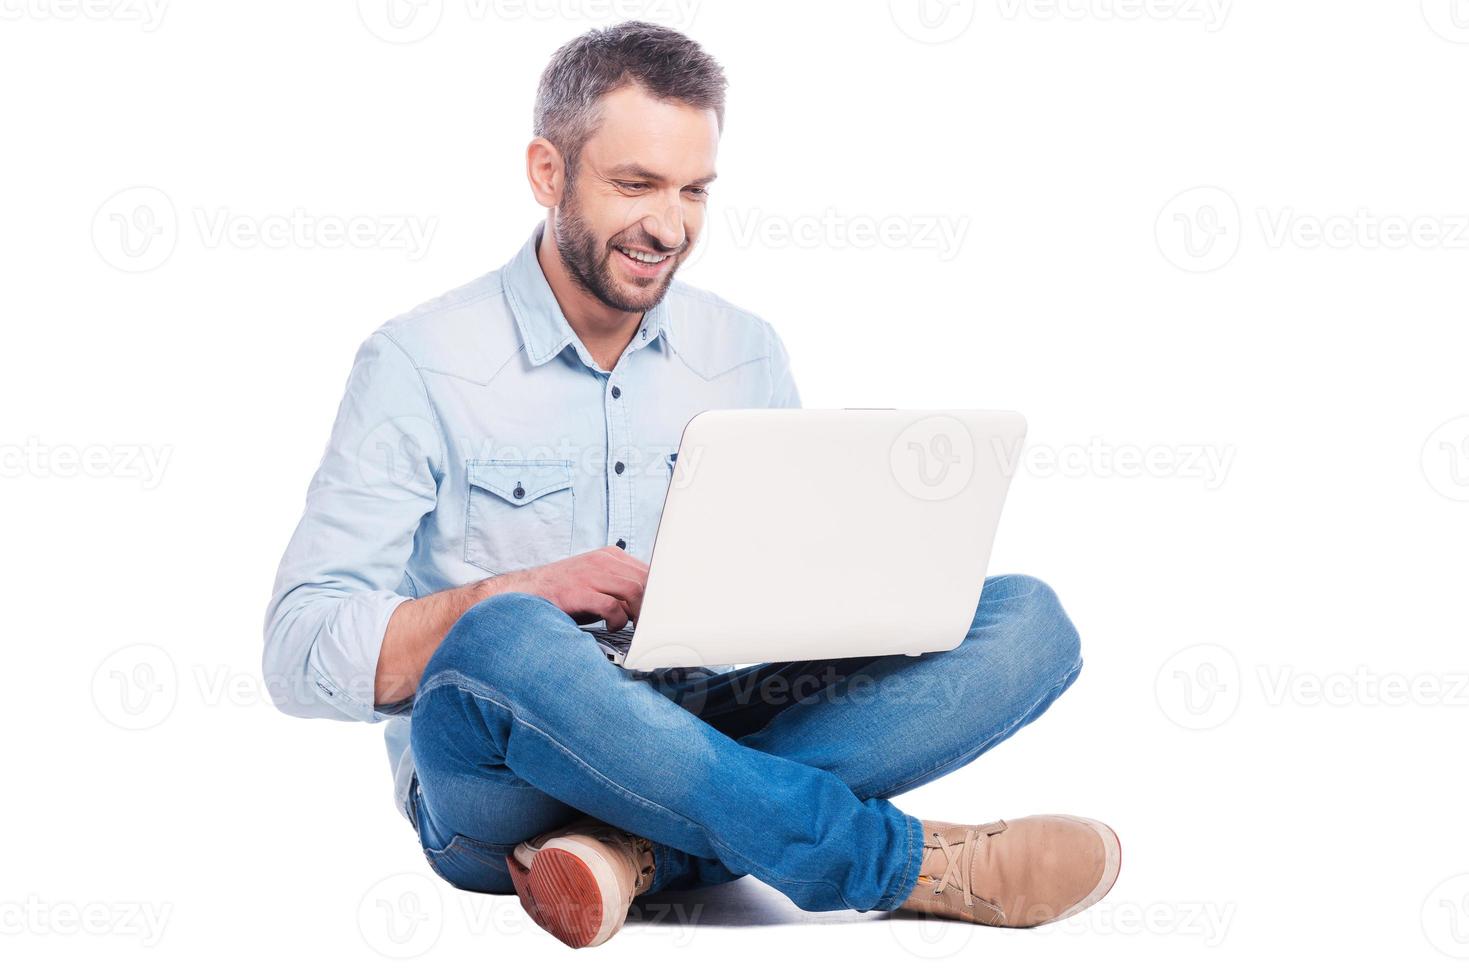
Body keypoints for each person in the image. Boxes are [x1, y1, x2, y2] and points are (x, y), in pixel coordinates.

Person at [263, 20, 1119, 949]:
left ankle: (631, 853)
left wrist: (858, 590)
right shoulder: (418, 361)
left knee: (1029, 621)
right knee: (506, 634)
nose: (668, 226)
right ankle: (903, 865)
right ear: (548, 173)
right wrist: (524, 590)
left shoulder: (743, 350)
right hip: (499, 779)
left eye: (693, 191)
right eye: (634, 185)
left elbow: (799, 591)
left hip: (707, 720)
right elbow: (298, 649)